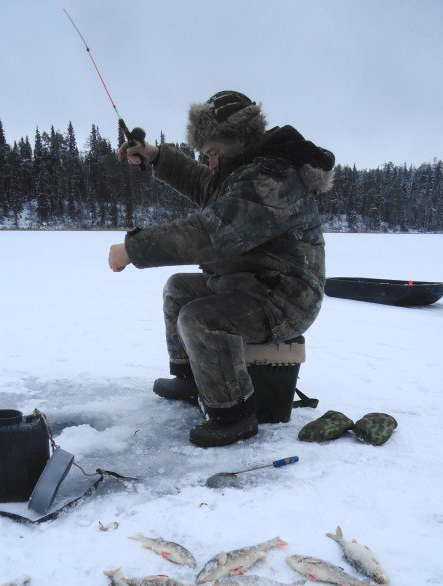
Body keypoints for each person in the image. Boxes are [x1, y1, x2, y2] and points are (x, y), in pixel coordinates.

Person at [108, 90, 334, 447]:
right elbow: (202, 183)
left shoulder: (269, 180)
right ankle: (188, 378)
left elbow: (211, 234)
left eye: (213, 154)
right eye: (206, 155)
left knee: (200, 318)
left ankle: (235, 413)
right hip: (251, 284)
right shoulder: (242, 168)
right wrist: (154, 156)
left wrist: (133, 249)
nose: (210, 163)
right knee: (178, 289)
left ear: (238, 139)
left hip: (286, 298)